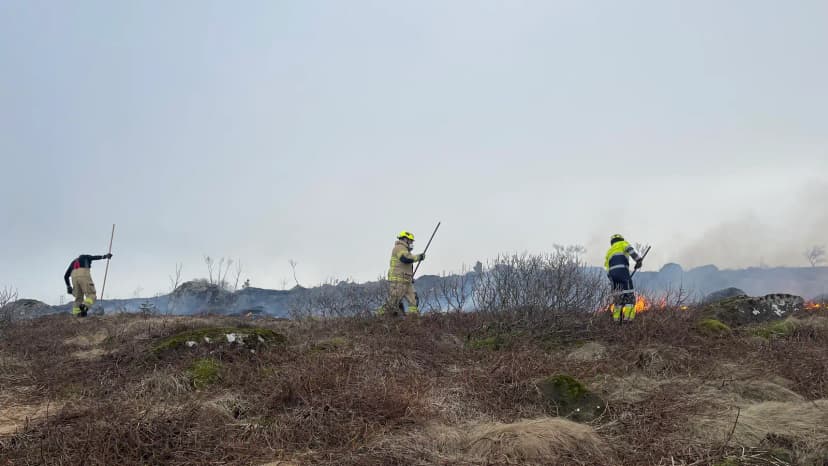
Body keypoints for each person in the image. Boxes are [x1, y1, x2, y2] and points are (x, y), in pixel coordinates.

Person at [379, 231, 425, 316]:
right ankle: (379, 316)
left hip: (406, 281)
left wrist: (410, 278)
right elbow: (405, 259)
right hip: (398, 280)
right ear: (405, 239)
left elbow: (406, 265)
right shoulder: (399, 247)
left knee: (413, 301)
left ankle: (413, 320)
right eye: (410, 241)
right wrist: (419, 257)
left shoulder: (406, 250)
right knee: (393, 302)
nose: (411, 243)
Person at [604, 234, 643, 323]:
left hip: (613, 276)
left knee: (618, 298)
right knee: (629, 296)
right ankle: (628, 319)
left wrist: (612, 279)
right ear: (620, 239)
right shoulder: (623, 243)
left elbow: (607, 267)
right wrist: (638, 261)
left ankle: (617, 320)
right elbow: (631, 251)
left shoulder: (609, 251)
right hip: (623, 273)